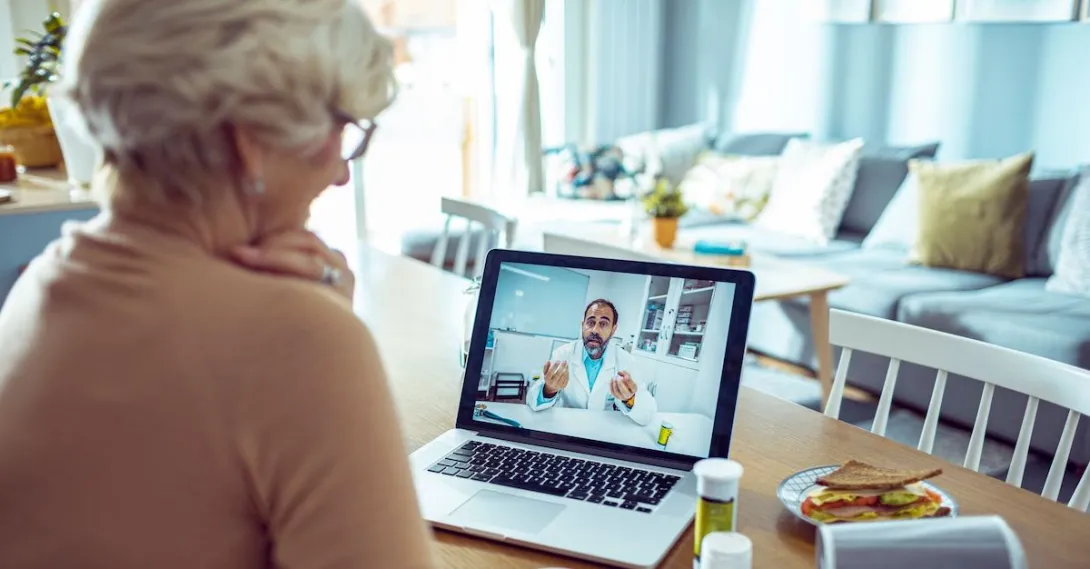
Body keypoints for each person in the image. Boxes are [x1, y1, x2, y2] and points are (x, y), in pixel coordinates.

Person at [0, 1, 435, 568]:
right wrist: (319, 328)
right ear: (249, 140)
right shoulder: (300, 344)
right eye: (340, 130)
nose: (340, 171)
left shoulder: (36, 291)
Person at [525, 299, 658, 425]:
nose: (595, 330)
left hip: (603, 428)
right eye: (590, 322)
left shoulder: (625, 361)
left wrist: (629, 399)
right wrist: (549, 389)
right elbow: (532, 401)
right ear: (583, 325)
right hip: (566, 424)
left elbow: (646, 415)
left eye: (603, 324)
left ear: (613, 330)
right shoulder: (562, 354)